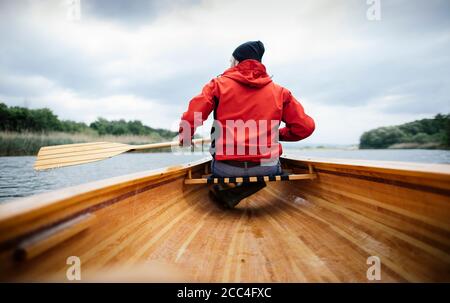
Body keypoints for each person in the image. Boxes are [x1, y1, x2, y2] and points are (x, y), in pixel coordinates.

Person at [179, 41, 315, 208]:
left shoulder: (217, 85)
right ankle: (240, 189)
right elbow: (305, 127)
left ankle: (225, 192)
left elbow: (193, 116)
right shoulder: (280, 92)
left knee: (216, 153)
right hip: (267, 167)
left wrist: (186, 137)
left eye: (230, 62)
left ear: (237, 62)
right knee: (270, 163)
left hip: (226, 168)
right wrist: (278, 134)